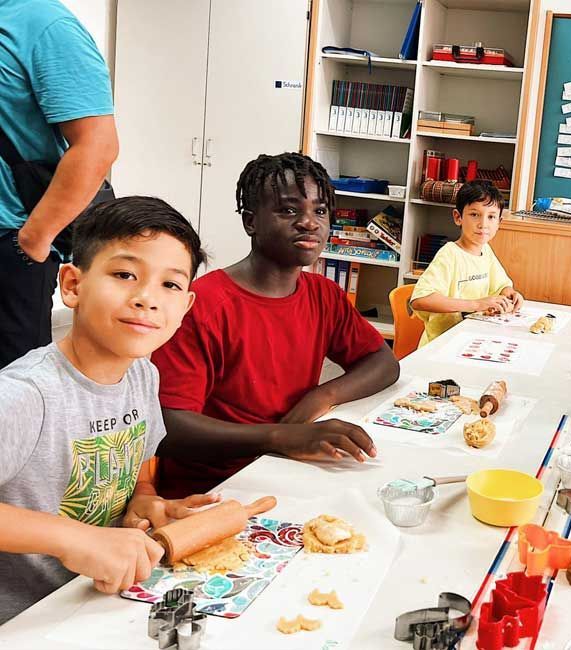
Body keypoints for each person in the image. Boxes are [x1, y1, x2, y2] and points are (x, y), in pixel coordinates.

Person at [0, 197, 216, 624]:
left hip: (94, 604)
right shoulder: (25, 395)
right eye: (124, 274)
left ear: (186, 308)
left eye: (169, 285)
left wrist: (144, 500)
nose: (146, 299)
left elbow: (139, 466)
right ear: (73, 285)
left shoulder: (142, 375)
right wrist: (71, 537)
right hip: (27, 623)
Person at [151, 153, 400, 498]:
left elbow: (383, 362)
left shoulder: (323, 294)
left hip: (287, 468)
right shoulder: (203, 306)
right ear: (251, 222)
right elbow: (168, 427)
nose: (309, 222)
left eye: (320, 211)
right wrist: (279, 436)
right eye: (288, 210)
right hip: (214, 489)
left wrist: (323, 395)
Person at [0, 0, 119, 368]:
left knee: (12, 391)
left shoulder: (41, 23)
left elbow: (98, 145)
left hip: (11, 243)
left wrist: (32, 243)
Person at [410, 181, 524, 346]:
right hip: (441, 345)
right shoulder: (449, 254)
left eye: (491, 217)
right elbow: (420, 300)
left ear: (499, 223)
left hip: (472, 340)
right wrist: (476, 304)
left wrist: (510, 294)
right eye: (474, 214)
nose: (483, 224)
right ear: (458, 217)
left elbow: (501, 285)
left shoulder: (485, 250)